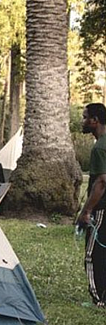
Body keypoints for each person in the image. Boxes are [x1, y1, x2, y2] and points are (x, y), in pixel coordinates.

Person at [77, 102, 106, 306]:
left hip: (101, 209)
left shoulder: (99, 148)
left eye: (85, 117)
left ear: (95, 120)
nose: (83, 121)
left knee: (92, 255)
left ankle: (98, 299)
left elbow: (102, 181)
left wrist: (86, 211)